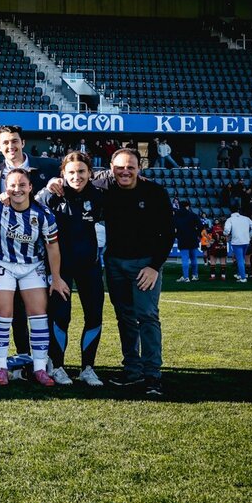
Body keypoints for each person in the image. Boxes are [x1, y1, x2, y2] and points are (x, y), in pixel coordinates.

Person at [53, 148, 172, 395]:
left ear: (140, 168)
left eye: (130, 167)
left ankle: (153, 375)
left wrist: (154, 266)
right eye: (120, 167)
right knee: (125, 317)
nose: (125, 171)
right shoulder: (103, 188)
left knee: (147, 316)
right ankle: (132, 370)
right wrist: (53, 182)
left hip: (145, 265)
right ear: (111, 168)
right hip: (115, 263)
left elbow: (168, 232)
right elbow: (75, 179)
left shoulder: (154, 192)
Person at [0, 169, 66, 387]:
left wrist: (56, 277)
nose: (17, 189)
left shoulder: (43, 214)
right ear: (6, 188)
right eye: (12, 185)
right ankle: (1, 367)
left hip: (32, 266)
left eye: (22, 185)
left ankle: (39, 368)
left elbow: (52, 246)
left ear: (30, 187)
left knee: (38, 315)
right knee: (3, 315)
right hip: (2, 263)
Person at [36, 152, 106, 387]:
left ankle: (88, 368)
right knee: (60, 317)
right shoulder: (52, 194)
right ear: (63, 174)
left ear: (90, 173)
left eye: (82, 171)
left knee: (94, 315)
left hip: (89, 267)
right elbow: (30, 206)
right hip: (59, 270)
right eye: (72, 172)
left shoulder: (98, 196)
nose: (77, 176)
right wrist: (47, 187)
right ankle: (57, 366)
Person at [173, 202, 206, 283]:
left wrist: (177, 235)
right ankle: (195, 276)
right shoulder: (193, 215)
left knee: (185, 259)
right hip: (193, 239)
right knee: (194, 258)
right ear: (187, 206)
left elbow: (173, 228)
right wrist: (197, 234)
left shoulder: (176, 216)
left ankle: (186, 277)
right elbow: (201, 227)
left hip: (182, 239)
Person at [224, 209, 252, 283]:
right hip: (246, 241)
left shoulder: (230, 219)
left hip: (236, 242)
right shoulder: (246, 218)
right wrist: (249, 235)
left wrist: (225, 233)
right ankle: (240, 274)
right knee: (241, 258)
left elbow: (227, 230)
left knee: (240, 260)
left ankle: (243, 277)